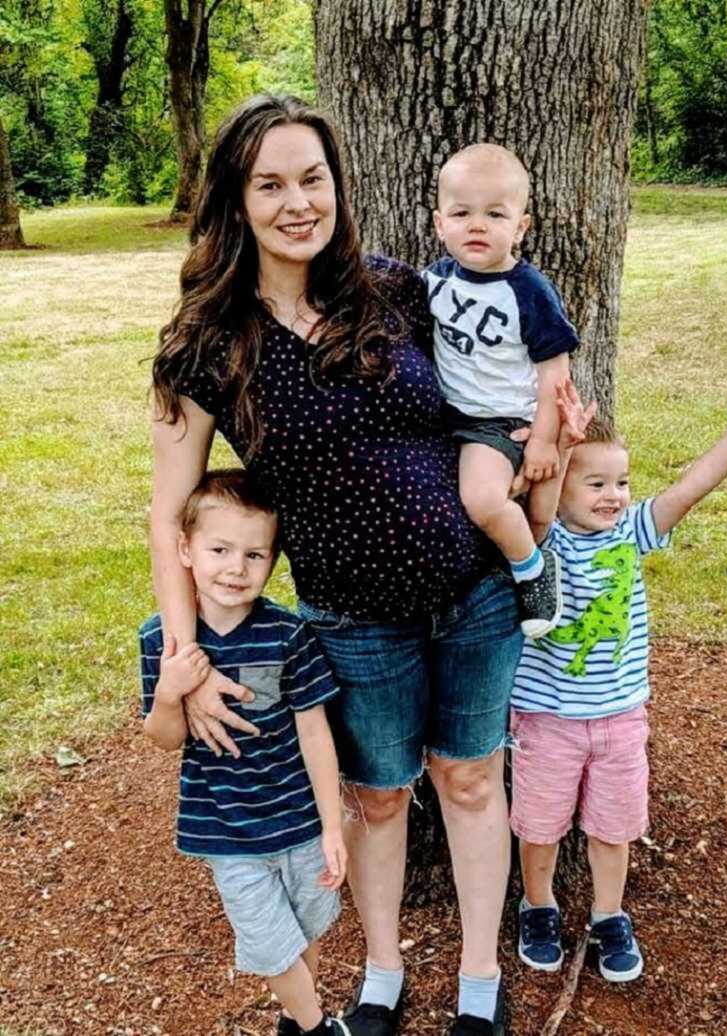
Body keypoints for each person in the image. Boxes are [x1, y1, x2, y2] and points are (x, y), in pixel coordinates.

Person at [150, 94, 521, 1036]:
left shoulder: (403, 292)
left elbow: (494, 392)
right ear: (236, 199)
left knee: (472, 780)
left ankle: (481, 978)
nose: (297, 202)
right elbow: (166, 517)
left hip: (473, 591)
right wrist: (185, 666)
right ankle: (384, 973)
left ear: (338, 186)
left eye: (312, 179)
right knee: (380, 795)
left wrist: (544, 436)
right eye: (269, 184)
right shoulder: (206, 345)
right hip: (353, 620)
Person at [511, 383, 727, 982]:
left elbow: (687, 491)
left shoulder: (633, 532)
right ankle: (537, 905)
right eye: (595, 484)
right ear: (565, 485)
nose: (613, 496)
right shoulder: (542, 542)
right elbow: (538, 510)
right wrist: (563, 445)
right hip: (548, 719)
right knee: (539, 825)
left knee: (613, 824)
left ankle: (607, 915)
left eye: (621, 483)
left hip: (622, 717)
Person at [140, 469, 348, 1036]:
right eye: (219, 549)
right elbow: (163, 738)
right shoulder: (163, 641)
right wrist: (168, 692)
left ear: (273, 561)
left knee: (305, 932)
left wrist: (332, 826)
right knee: (267, 940)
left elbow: (315, 732)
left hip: (299, 821)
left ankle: (293, 1022)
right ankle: (319, 1026)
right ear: (185, 549)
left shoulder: (289, 635)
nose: (236, 568)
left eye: (254, 555)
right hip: (225, 828)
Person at [424, 143, 580, 639]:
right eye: (461, 213)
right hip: (442, 416)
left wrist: (541, 441)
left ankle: (532, 568)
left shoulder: (529, 291)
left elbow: (555, 372)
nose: (476, 225)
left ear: (521, 227)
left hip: (496, 423)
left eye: (495, 214)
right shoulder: (433, 280)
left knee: (484, 500)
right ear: (438, 223)